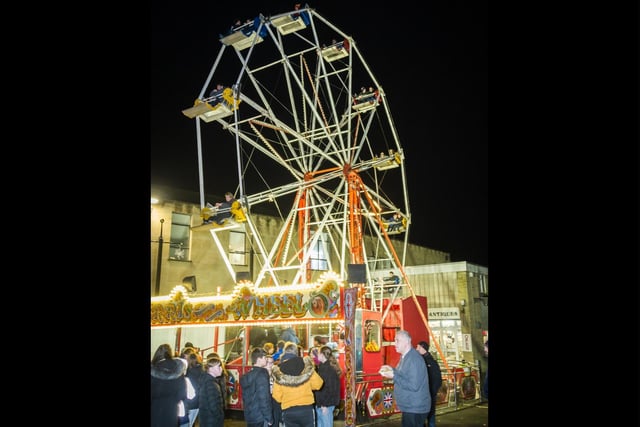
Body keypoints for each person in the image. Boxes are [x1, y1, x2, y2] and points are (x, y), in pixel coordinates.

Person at [379, 330, 430, 427]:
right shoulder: (406, 357)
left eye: (397, 340)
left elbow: (414, 385)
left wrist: (393, 375)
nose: (395, 343)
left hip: (415, 408)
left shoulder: (414, 359)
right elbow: (403, 374)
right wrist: (391, 369)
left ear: (407, 342)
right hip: (411, 407)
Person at [271, 345, 324, 427]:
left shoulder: (279, 371)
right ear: (297, 353)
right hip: (306, 409)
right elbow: (318, 385)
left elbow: (277, 396)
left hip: (288, 410)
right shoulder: (306, 367)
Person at [151, 343, 188, 427]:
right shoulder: (178, 371)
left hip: (155, 410)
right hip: (172, 410)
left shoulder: (153, 369)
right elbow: (182, 395)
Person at [240, 347, 274, 427]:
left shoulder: (247, 375)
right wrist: (269, 418)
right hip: (260, 416)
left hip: (250, 416)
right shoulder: (262, 374)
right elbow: (264, 398)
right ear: (259, 359)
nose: (266, 360)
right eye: (265, 357)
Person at [313, 345, 342, 427]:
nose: (317, 355)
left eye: (318, 353)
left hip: (325, 405)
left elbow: (329, 388)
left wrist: (324, 405)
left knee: (325, 424)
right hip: (325, 404)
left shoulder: (326, 369)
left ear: (322, 355)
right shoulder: (327, 367)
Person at [416, 341, 442, 427]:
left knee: (429, 415)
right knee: (427, 415)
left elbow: (437, 378)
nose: (416, 349)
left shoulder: (430, 362)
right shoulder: (422, 359)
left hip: (428, 393)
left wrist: (432, 391)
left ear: (422, 348)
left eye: (418, 347)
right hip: (424, 393)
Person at [180, 347, 206, 427]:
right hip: (196, 402)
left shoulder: (189, 371)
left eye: (185, 357)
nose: (184, 359)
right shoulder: (200, 369)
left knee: (188, 424)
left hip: (190, 403)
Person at [198, 355, 226, 427]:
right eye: (218, 366)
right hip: (211, 421)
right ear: (211, 369)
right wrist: (219, 417)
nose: (221, 369)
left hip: (206, 419)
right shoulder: (211, 384)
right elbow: (214, 406)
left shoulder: (206, 380)